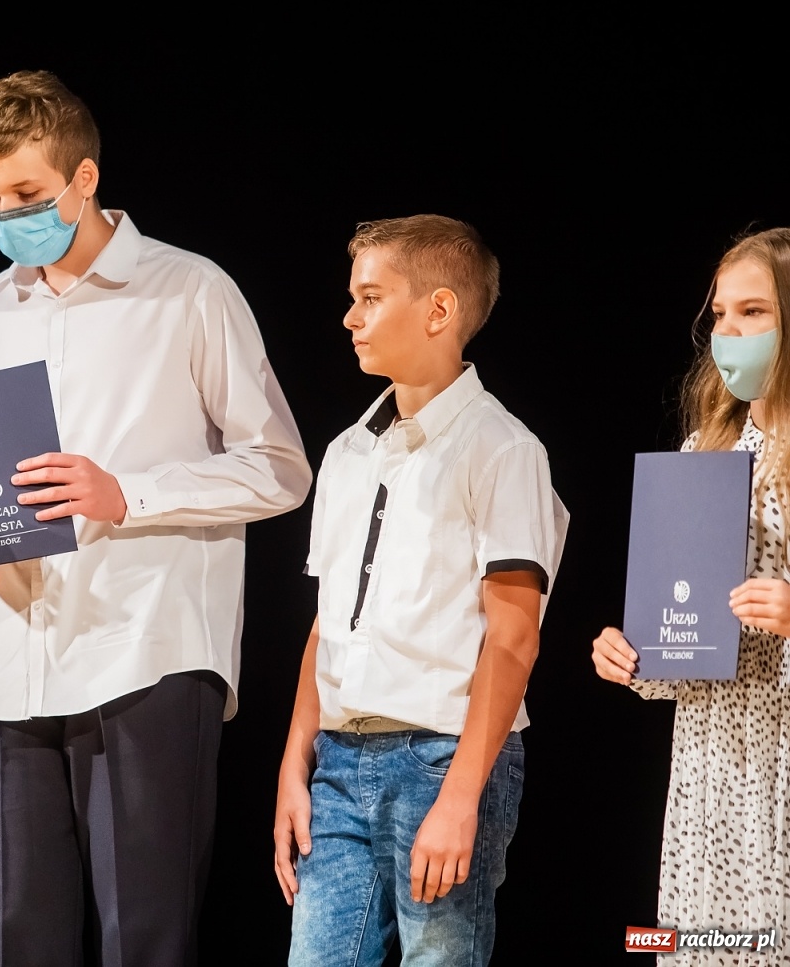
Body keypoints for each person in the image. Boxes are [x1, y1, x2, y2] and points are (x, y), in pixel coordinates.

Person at [0, 70, 312, 967]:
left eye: (26, 195)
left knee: (144, 939)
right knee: (17, 942)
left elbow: (280, 468)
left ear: (85, 179)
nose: (5, 217)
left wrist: (129, 495)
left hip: (144, 651)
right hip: (8, 664)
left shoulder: (188, 289)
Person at [274, 215, 568, 966]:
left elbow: (513, 636)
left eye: (371, 297)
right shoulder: (344, 452)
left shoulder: (502, 449)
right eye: (352, 297)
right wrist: (293, 764)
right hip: (340, 760)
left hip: (442, 757)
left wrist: (464, 795)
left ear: (438, 311)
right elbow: (326, 624)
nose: (350, 317)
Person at [591, 227, 789, 965]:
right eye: (720, 315)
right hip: (715, 772)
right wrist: (635, 656)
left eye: (754, 313)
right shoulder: (703, 457)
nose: (728, 332)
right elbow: (688, 638)